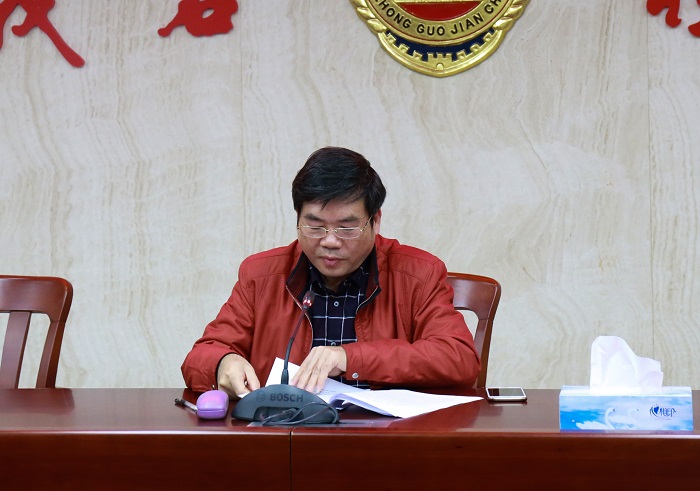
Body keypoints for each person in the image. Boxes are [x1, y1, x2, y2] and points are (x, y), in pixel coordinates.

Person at [181, 146, 481, 397]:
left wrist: (349, 357)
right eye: (315, 226)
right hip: (288, 436)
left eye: (347, 228)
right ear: (297, 219)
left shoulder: (419, 274)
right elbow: (201, 356)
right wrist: (222, 363)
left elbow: (458, 358)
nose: (330, 241)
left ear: (375, 221)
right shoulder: (260, 275)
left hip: (385, 438)